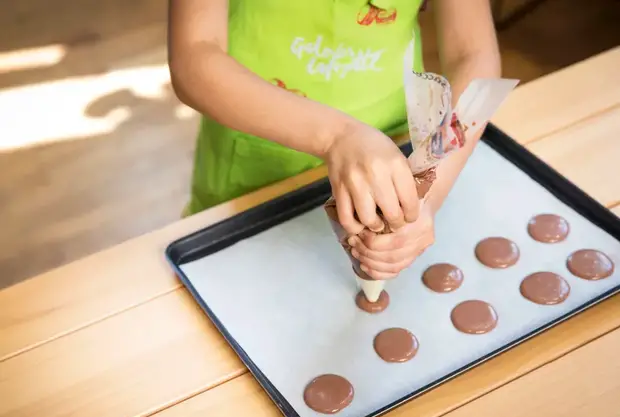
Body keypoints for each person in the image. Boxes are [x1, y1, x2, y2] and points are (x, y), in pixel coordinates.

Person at [168, 0, 501, 280]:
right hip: (251, 165)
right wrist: (337, 136)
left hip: (396, 151)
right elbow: (193, 58)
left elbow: (473, 56)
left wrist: (429, 188)